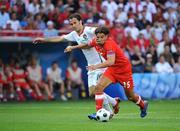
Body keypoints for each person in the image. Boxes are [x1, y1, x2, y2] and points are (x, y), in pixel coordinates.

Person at [33, 13, 119, 118]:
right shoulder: (74, 34)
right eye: (71, 24)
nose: (73, 25)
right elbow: (60, 38)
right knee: (92, 92)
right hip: (91, 66)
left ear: (80, 22)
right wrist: (43, 40)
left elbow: (98, 34)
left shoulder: (89, 31)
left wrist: (74, 47)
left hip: (101, 65)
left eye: (75, 23)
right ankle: (114, 102)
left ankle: (106, 112)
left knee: (97, 90)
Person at [65, 26, 148, 119]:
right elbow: (87, 45)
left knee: (131, 97)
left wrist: (95, 66)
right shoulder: (95, 41)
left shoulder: (109, 45)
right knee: (98, 88)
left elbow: (110, 61)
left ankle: (143, 105)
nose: (99, 39)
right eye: (98, 37)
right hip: (112, 70)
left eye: (102, 37)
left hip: (124, 71)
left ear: (106, 36)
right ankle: (99, 112)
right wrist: (73, 47)